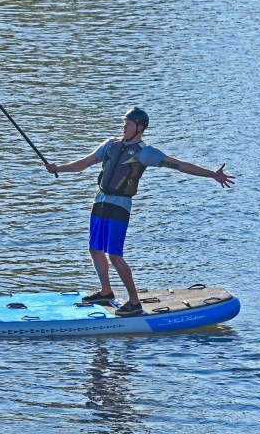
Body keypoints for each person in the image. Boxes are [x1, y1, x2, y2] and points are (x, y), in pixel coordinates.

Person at [45, 107, 235, 317]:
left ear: (140, 127)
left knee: (115, 255)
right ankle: (106, 292)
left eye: (128, 123)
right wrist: (58, 168)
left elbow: (180, 165)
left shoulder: (146, 152)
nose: (124, 126)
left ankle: (134, 302)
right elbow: (84, 163)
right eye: (124, 122)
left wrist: (211, 175)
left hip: (120, 206)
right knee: (94, 248)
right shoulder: (110, 145)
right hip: (100, 201)